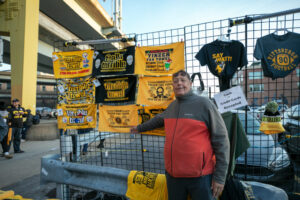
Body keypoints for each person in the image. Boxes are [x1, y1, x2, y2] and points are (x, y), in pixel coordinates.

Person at [131, 70, 230, 200]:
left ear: (191, 83)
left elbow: (221, 140)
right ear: (172, 85)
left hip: (200, 177)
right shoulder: (172, 107)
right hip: (173, 177)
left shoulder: (205, 104)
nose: (179, 83)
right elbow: (158, 119)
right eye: (175, 81)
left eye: (183, 80)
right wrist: (138, 128)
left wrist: (220, 178)